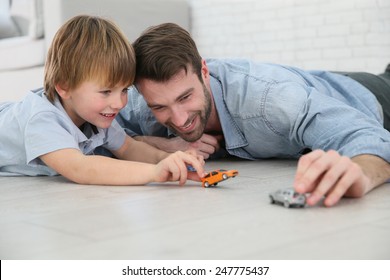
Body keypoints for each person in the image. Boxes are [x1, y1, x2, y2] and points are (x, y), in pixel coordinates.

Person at [117, 22, 390, 207]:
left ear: (204, 71)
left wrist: (361, 174)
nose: (177, 120)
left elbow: (365, 135)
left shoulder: (271, 101)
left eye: (185, 97)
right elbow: (99, 136)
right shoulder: (142, 101)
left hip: (369, 97)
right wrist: (164, 145)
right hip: (313, 83)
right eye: (160, 107)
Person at [0, 16, 205, 185]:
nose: (119, 103)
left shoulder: (94, 116)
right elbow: (80, 168)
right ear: (64, 87)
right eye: (106, 91)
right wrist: (154, 172)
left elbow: (128, 147)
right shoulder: (43, 119)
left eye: (124, 89)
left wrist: (167, 159)